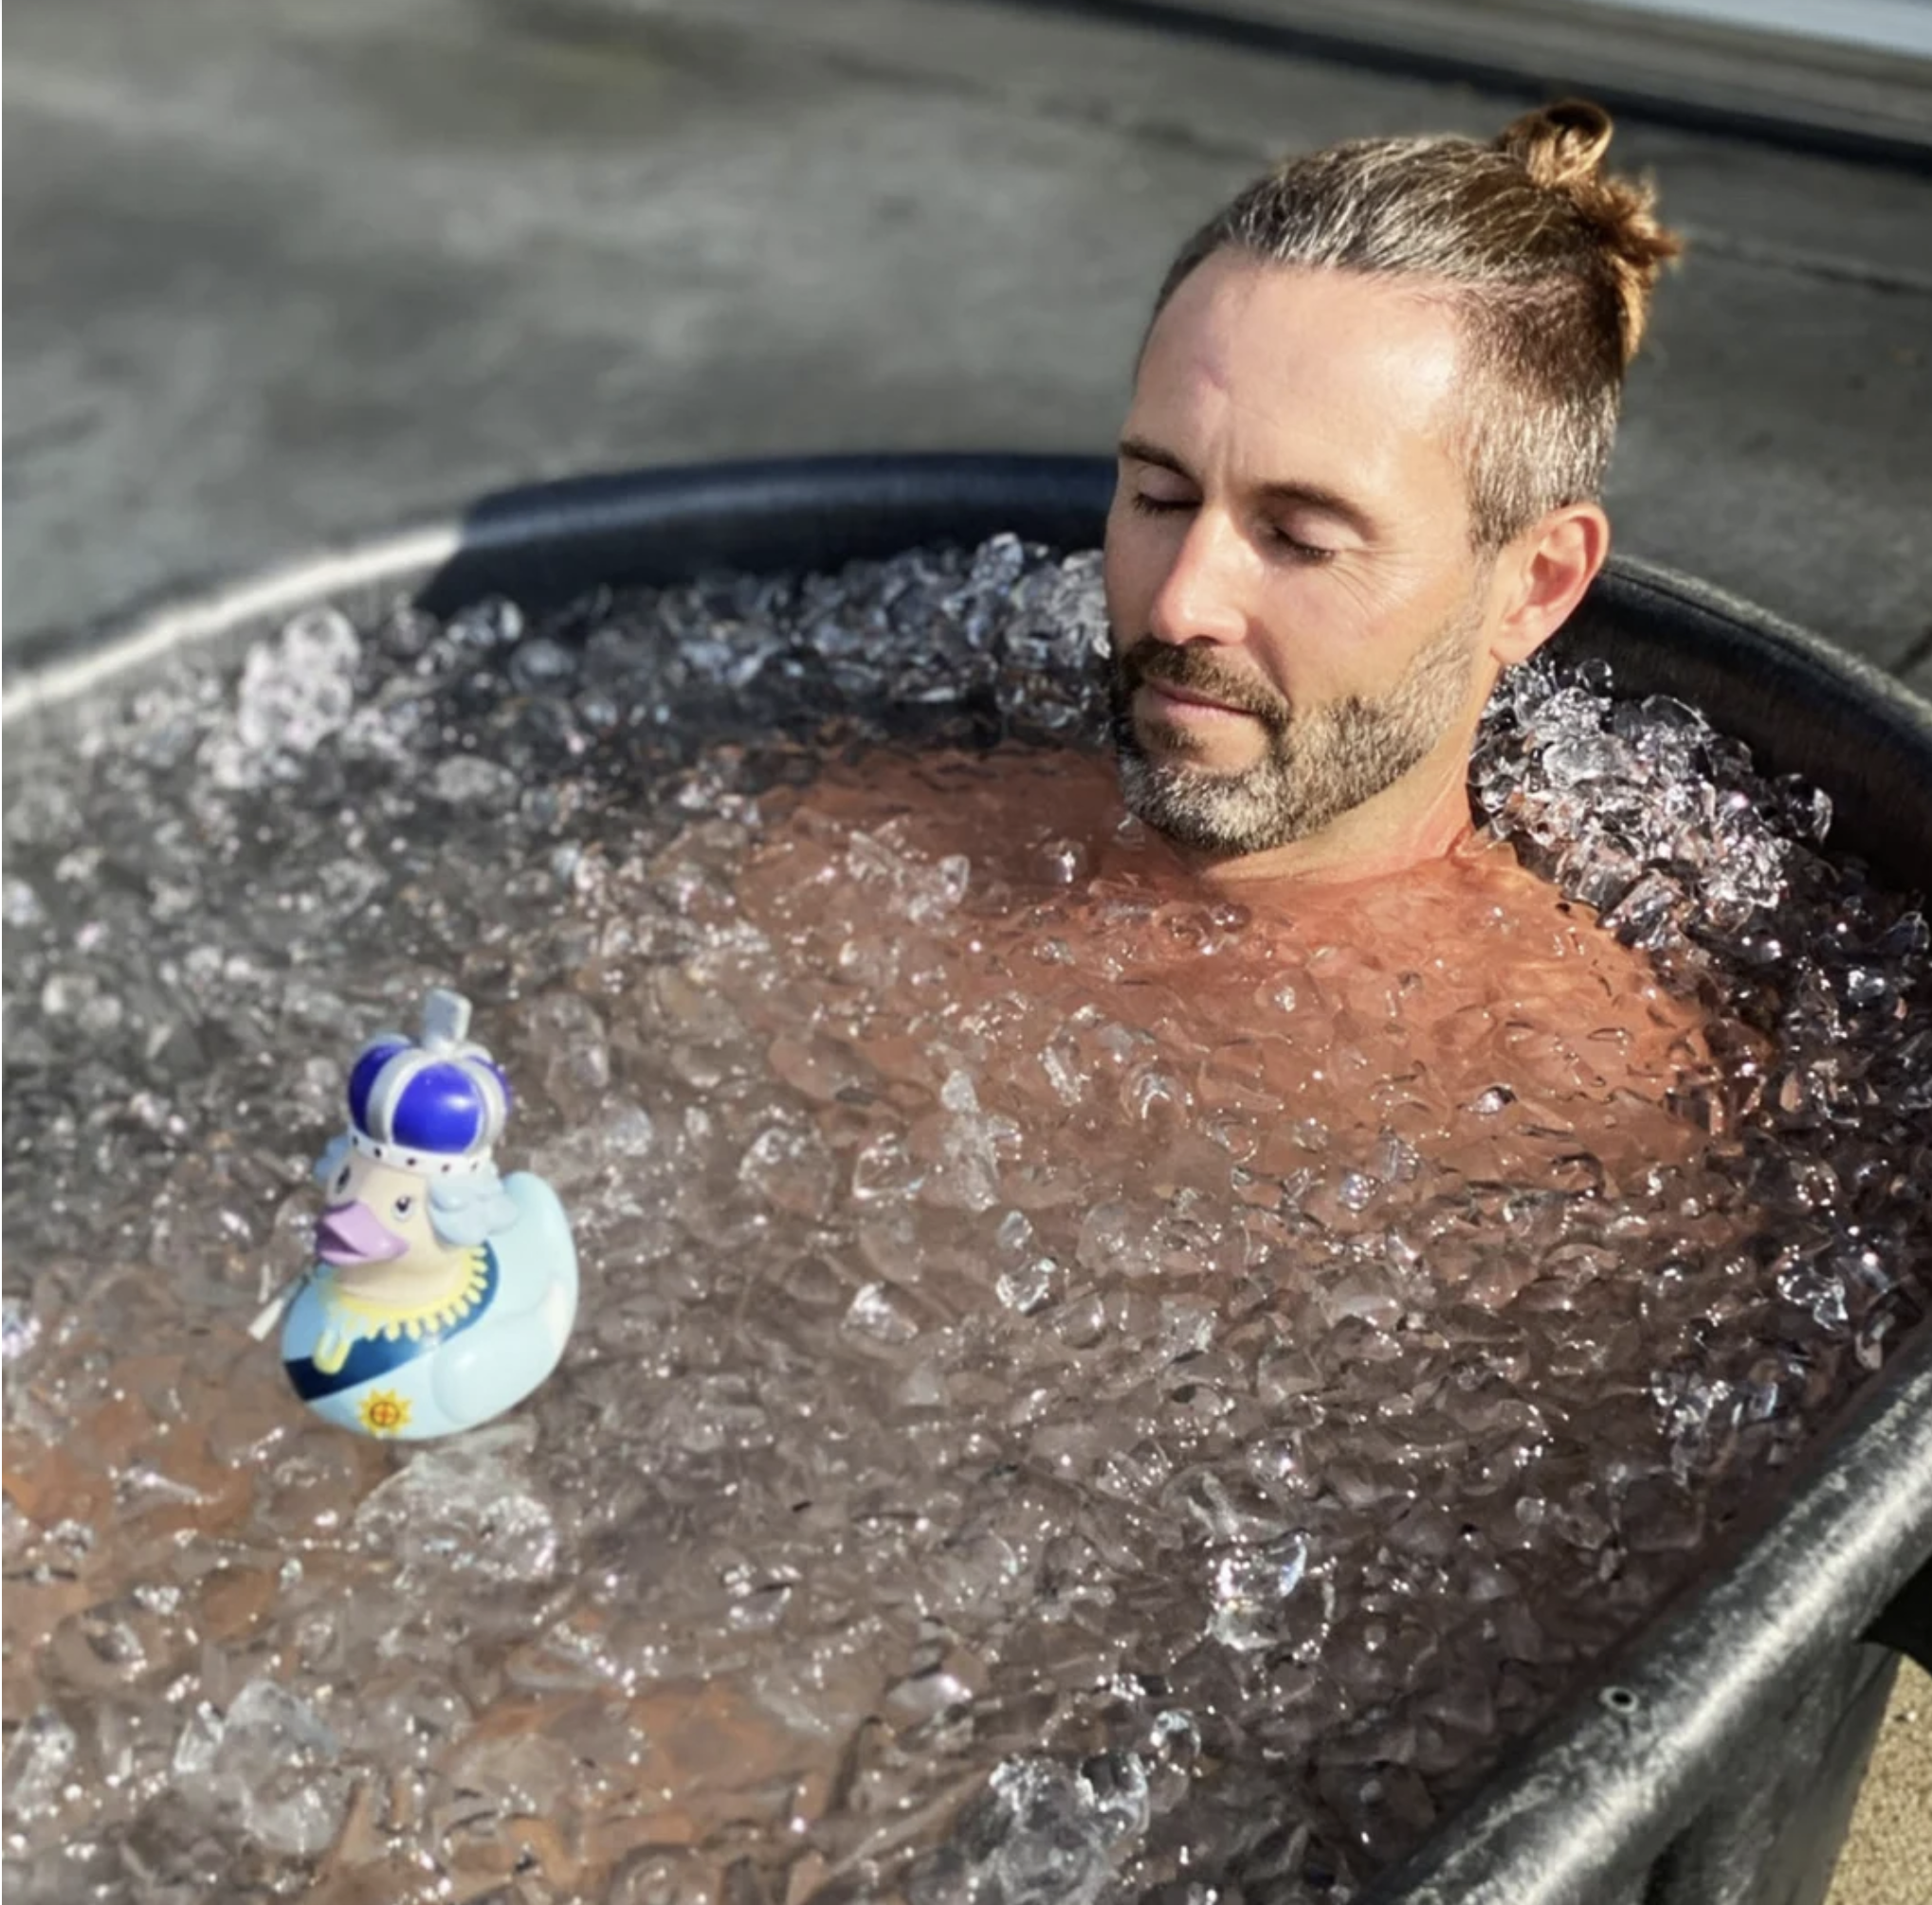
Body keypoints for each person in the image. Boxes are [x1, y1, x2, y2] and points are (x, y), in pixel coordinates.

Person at [1106, 96, 1681, 886]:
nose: (1181, 605)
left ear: (1536, 585)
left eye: (1301, 539)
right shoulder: (956, 807)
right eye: (1161, 497)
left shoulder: (1543, 975)